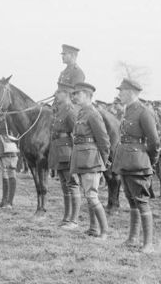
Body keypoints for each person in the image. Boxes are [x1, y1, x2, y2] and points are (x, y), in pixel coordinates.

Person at [112, 78, 160, 253]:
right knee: (131, 200)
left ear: (131, 92)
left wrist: (149, 162)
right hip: (125, 161)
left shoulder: (144, 112)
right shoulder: (128, 111)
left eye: (122, 91)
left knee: (141, 201)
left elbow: (154, 142)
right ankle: (133, 238)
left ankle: (148, 243)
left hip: (138, 163)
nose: (119, 94)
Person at [70, 82, 111, 239]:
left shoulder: (93, 114)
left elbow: (104, 141)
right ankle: (93, 228)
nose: (74, 96)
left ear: (87, 95)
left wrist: (102, 163)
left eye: (77, 93)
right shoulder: (82, 113)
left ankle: (104, 231)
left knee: (92, 196)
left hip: (92, 161)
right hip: (82, 159)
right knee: (89, 196)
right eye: (74, 94)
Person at [48, 82, 79, 226]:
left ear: (66, 94)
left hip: (68, 151)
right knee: (64, 185)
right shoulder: (60, 110)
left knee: (72, 184)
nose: (56, 95)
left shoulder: (71, 110)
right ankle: (66, 217)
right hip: (59, 149)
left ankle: (74, 219)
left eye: (58, 93)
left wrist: (75, 155)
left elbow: (76, 134)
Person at [94, 100, 122, 215]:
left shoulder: (112, 117)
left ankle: (114, 202)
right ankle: (112, 202)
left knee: (113, 174)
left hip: (112, 146)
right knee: (108, 174)